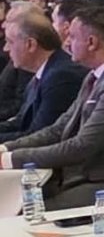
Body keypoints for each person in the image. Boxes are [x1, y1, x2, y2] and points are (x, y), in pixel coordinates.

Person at [0, 6, 104, 208]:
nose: (66, 42)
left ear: (91, 42)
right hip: (87, 176)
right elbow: (59, 128)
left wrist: (9, 160)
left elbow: (82, 146)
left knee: (21, 208)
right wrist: (6, 148)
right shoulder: (97, 75)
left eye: (72, 36)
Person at [0, 11, 88, 144]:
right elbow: (21, 122)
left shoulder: (61, 77)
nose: (6, 49)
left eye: (10, 42)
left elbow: (40, 135)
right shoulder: (46, 71)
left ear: (30, 44)